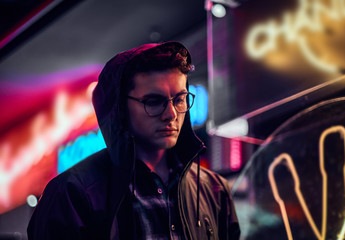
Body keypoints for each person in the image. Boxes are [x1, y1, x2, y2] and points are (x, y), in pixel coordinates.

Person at [27, 41, 240, 239]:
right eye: (154, 102)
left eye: (180, 99)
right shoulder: (71, 194)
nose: (172, 114)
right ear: (119, 108)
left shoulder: (214, 189)